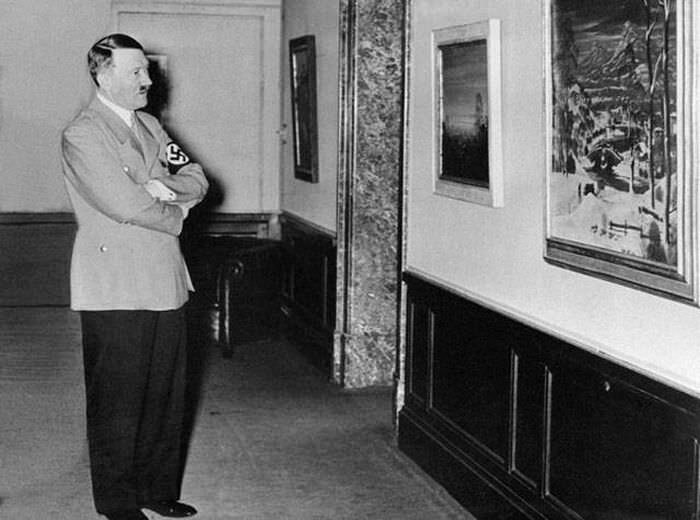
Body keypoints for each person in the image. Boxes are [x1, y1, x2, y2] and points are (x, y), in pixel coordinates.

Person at [61, 33, 208, 520]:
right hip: (115, 284)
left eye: (147, 70)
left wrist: (160, 184)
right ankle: (118, 503)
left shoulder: (151, 126)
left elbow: (198, 178)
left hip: (166, 278)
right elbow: (124, 204)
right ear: (103, 76)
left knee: (165, 393)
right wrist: (176, 211)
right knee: (117, 400)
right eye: (136, 72)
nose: (148, 80)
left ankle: (156, 489)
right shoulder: (84, 134)